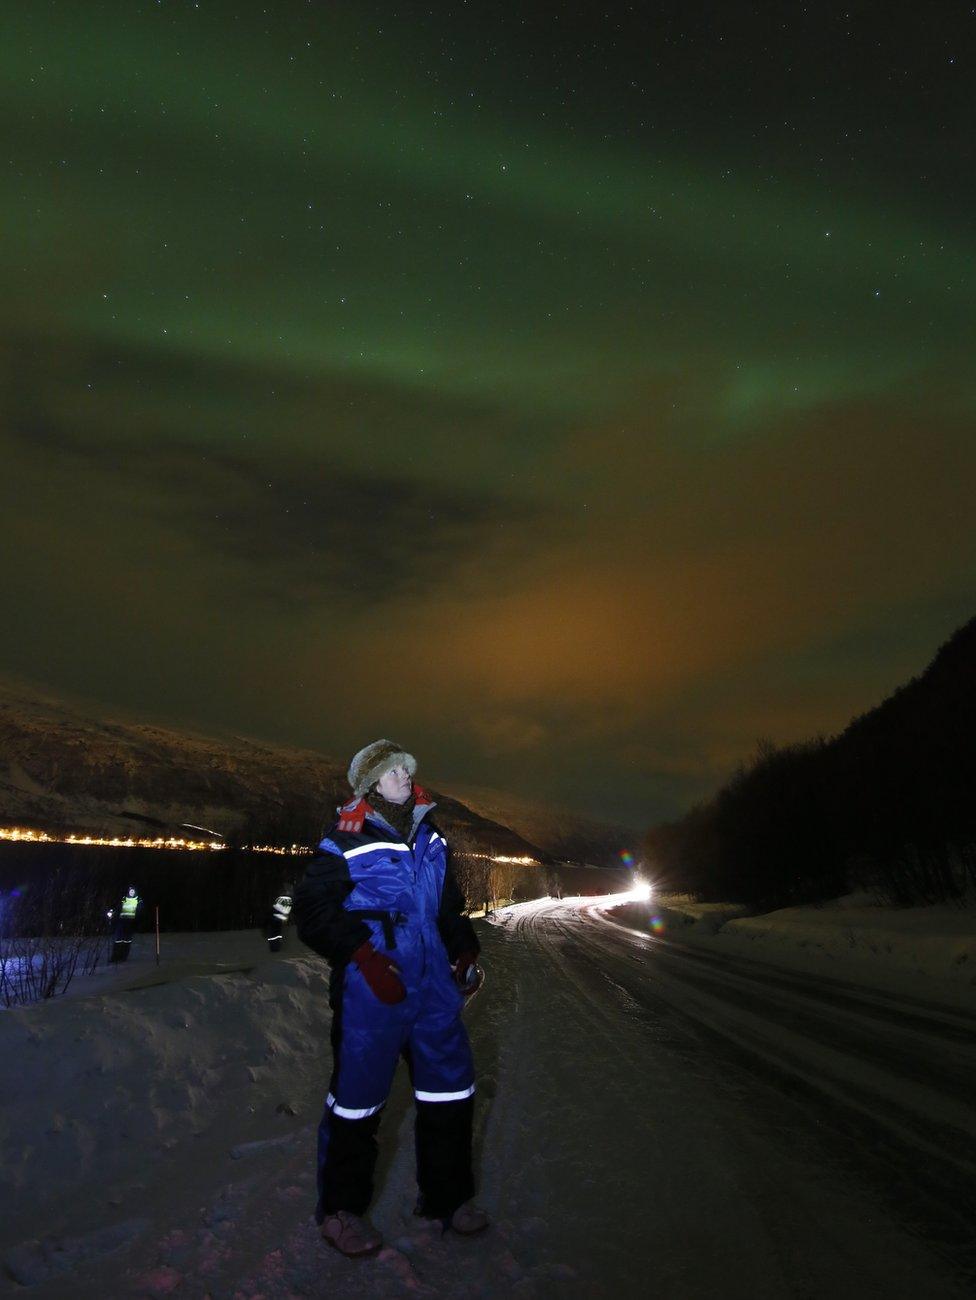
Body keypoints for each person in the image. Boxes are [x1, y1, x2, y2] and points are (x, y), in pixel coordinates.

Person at [293, 739, 486, 1258]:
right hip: (373, 989)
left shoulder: (431, 834)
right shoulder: (344, 839)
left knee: (450, 1092)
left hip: (432, 989)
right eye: (394, 769)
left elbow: (447, 906)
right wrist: (362, 955)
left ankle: (447, 1199)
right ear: (370, 784)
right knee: (356, 1102)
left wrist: (464, 949)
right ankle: (340, 1211)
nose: (406, 774)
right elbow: (310, 912)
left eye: (406, 767)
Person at [108, 885, 140, 963]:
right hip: (122, 921)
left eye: (133, 891)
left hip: (131, 922)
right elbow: (117, 906)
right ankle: (115, 957)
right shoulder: (124, 898)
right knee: (118, 940)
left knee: (127, 941)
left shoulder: (138, 900)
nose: (131, 892)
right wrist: (112, 912)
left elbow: (141, 909)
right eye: (130, 891)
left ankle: (123, 957)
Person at [265, 882, 294, 953]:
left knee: (274, 934)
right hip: (279, 919)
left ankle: (274, 947)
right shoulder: (288, 899)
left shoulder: (282, 899)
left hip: (276, 918)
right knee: (277, 934)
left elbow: (275, 909)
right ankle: (276, 947)